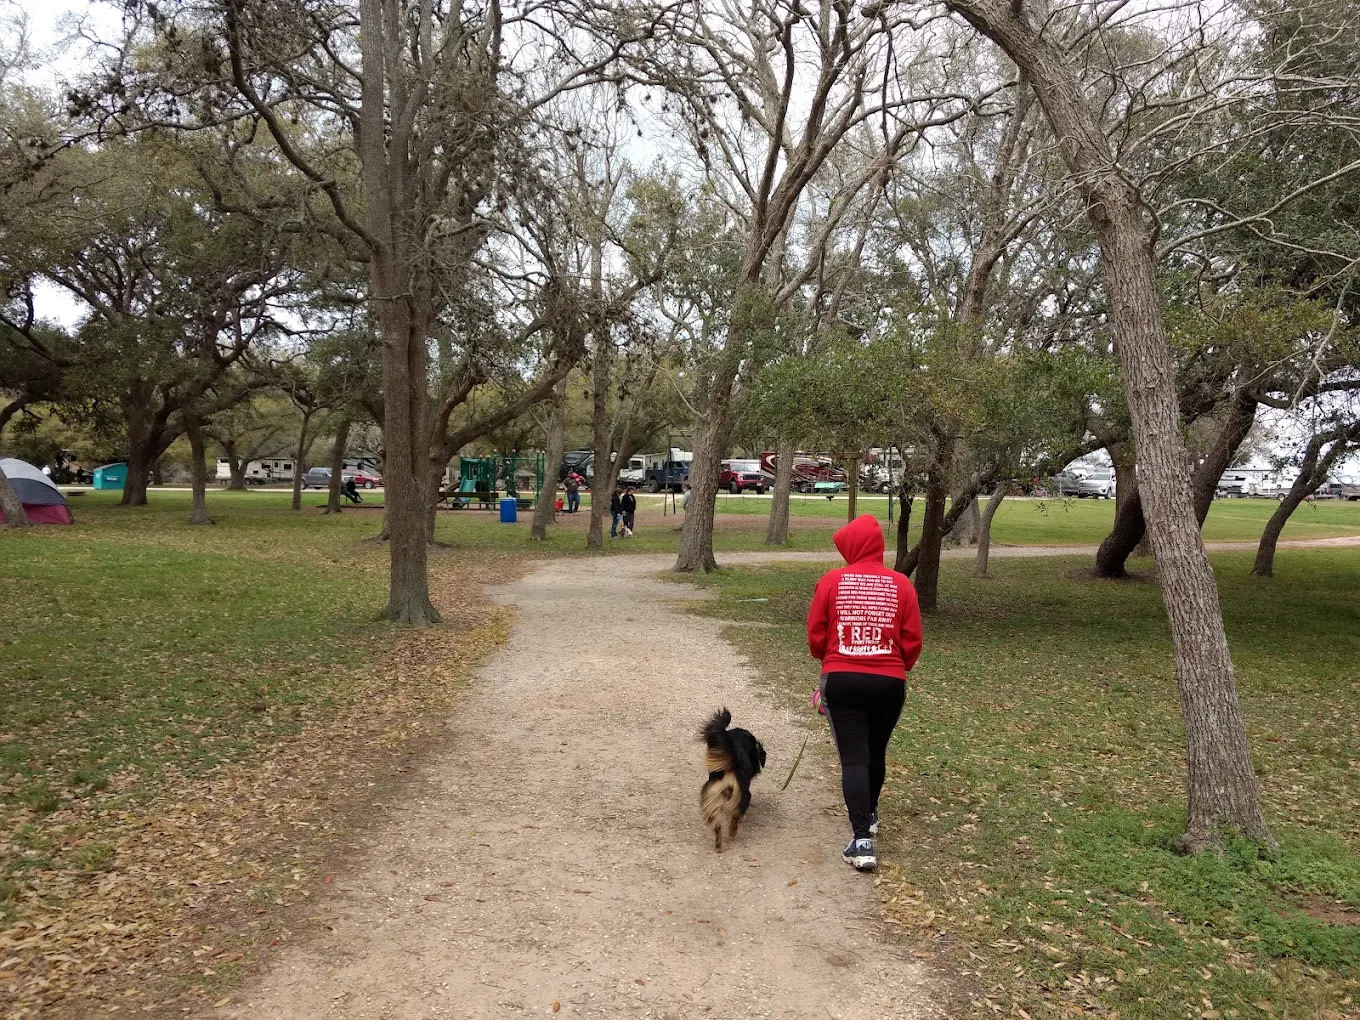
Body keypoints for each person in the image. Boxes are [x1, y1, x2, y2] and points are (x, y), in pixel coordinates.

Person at [806, 514, 922, 873]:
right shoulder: (901, 584)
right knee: (875, 752)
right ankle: (869, 814)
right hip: (889, 682)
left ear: (853, 548)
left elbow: (816, 634)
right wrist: (896, 664)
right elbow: (912, 640)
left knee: (854, 758)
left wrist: (831, 656)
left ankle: (861, 840)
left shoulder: (831, 581)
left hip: (843, 678)